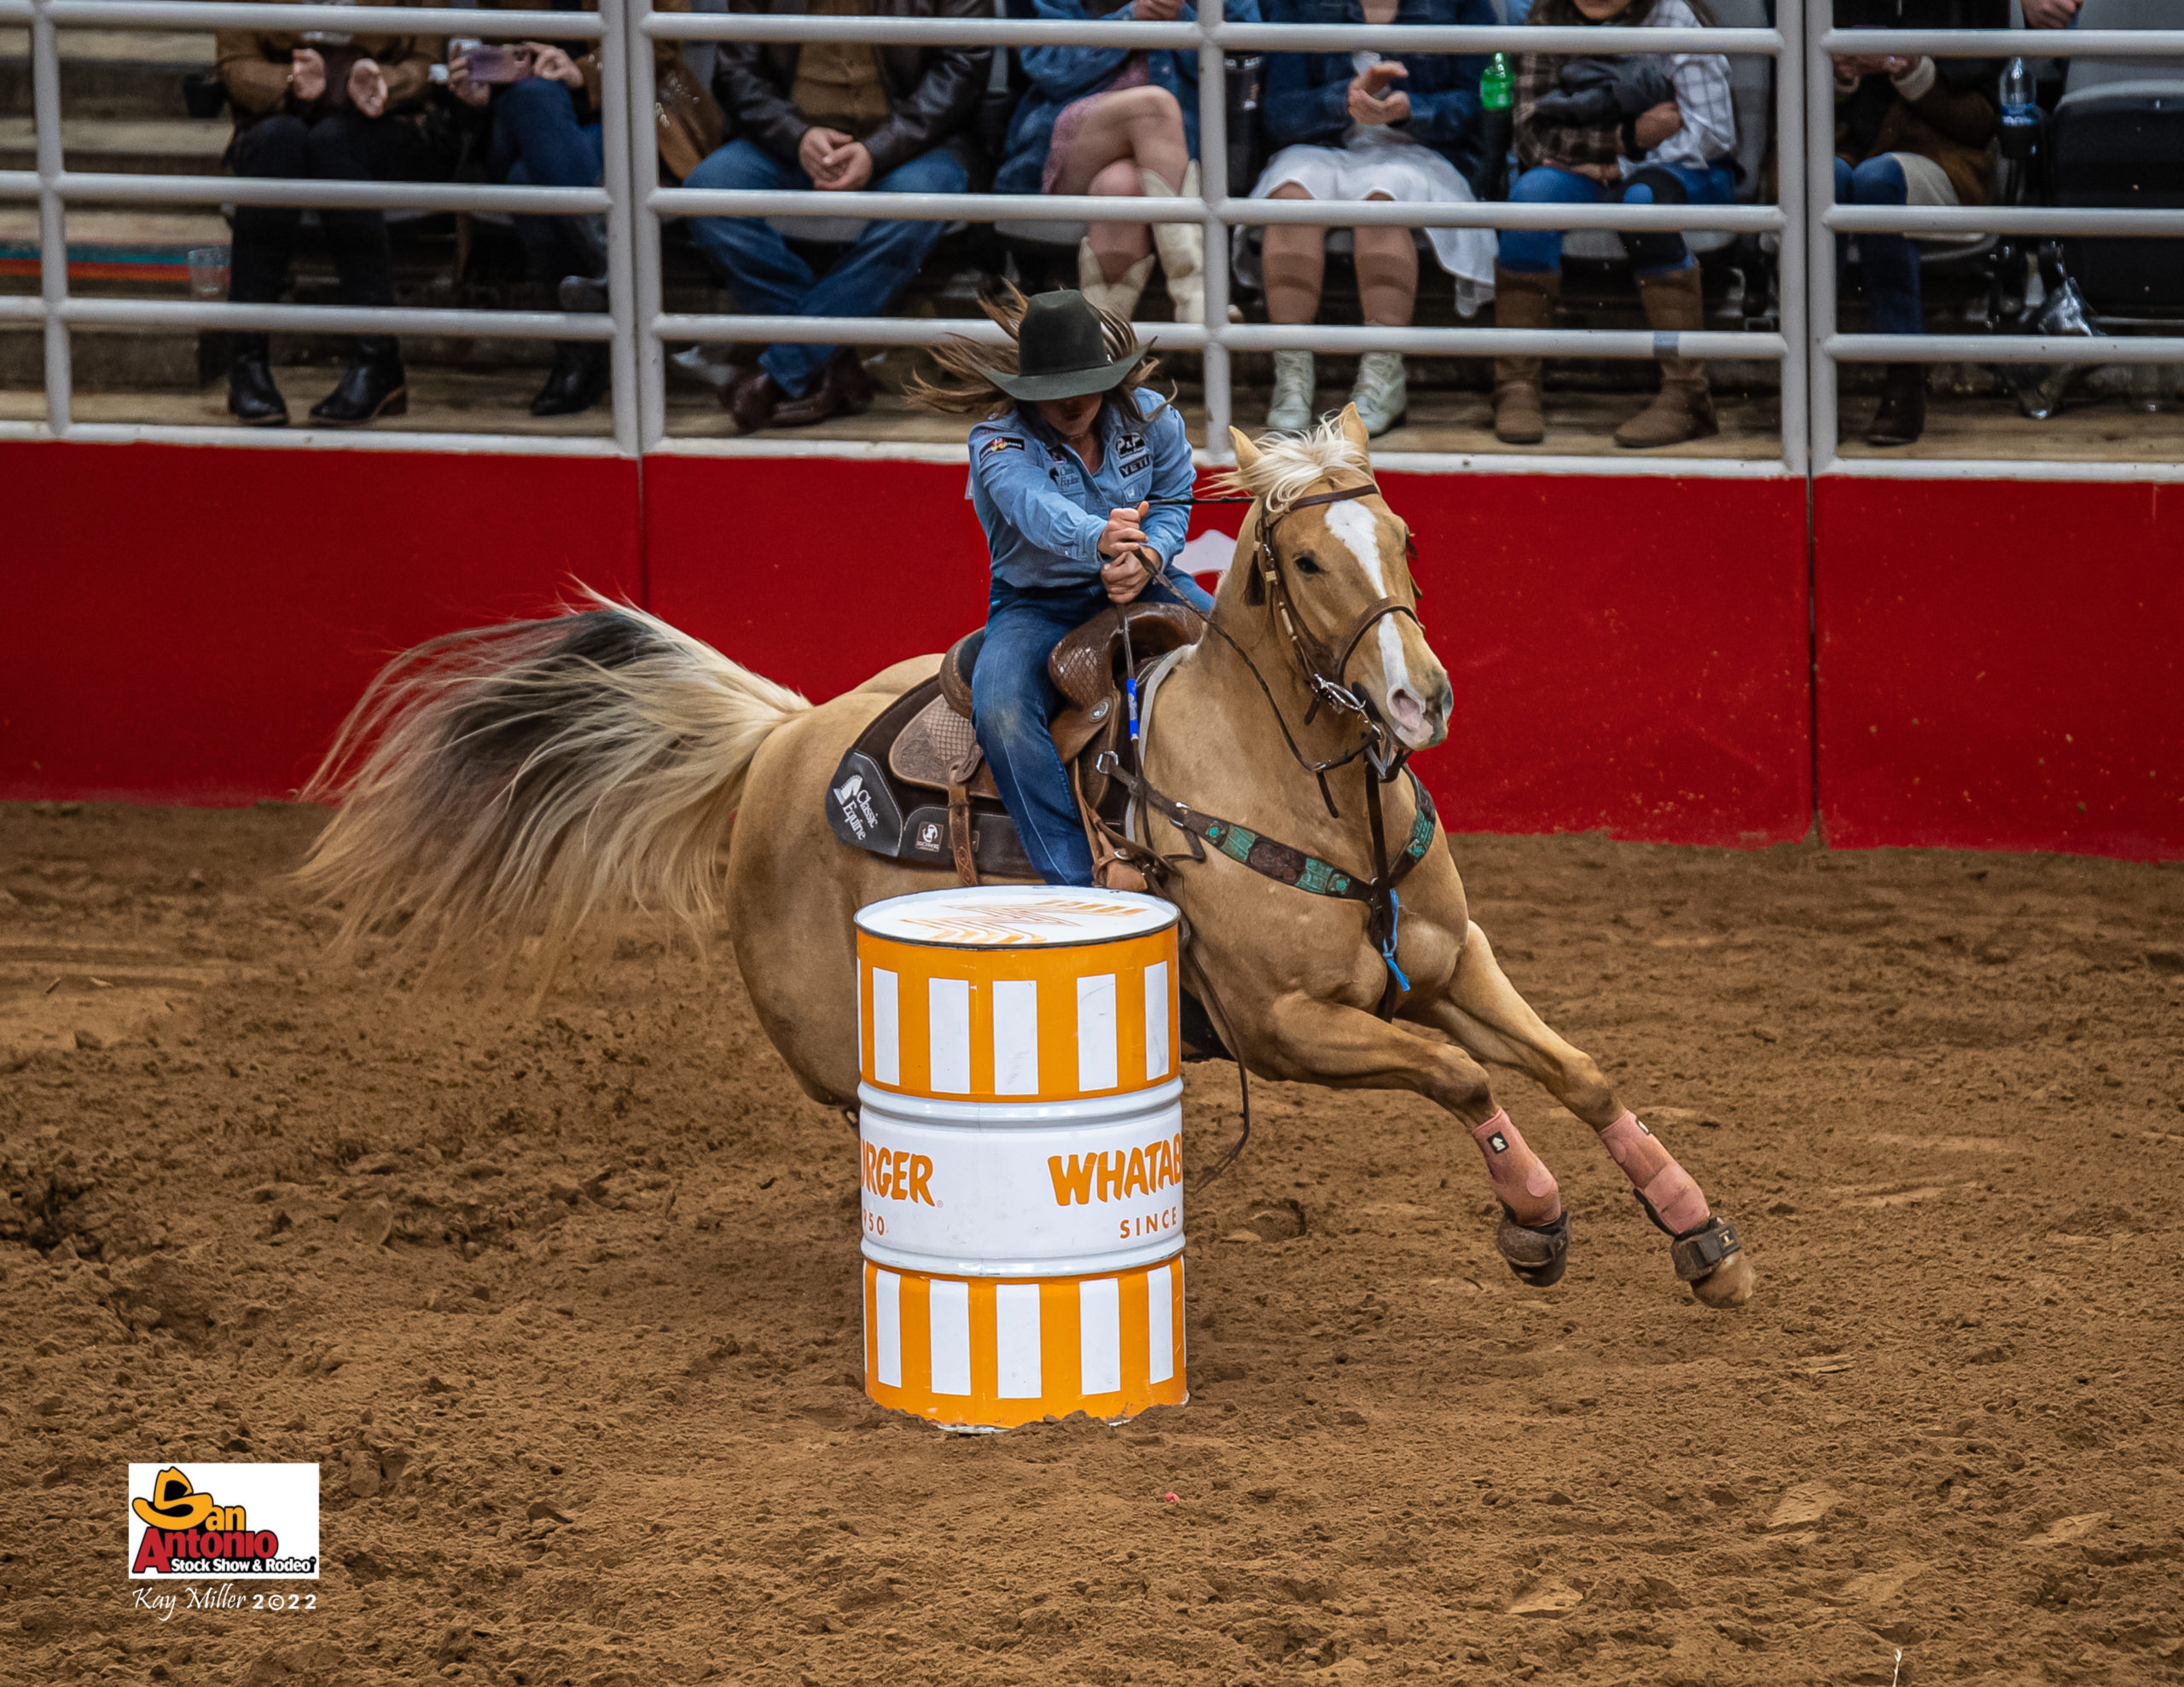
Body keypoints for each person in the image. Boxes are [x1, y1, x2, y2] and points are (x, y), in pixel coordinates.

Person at [906, 287, 1214, 887]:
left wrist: (1151, 553)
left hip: (1151, 580)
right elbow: (1034, 508)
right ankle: (1074, 881)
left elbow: (1175, 500)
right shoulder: (996, 442)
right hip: (1036, 605)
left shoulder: (1152, 418)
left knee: (1241, 649)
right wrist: (1103, 538)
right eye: (1053, 393)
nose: (1071, 402)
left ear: (1108, 378)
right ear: (1028, 394)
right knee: (1001, 711)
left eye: (1083, 385)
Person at [686, 0, 991, 433]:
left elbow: (963, 72)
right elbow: (736, 73)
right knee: (708, 191)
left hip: (914, 145)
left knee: (919, 201)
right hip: (788, 142)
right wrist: (797, 137)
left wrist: (878, 149)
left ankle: (788, 366)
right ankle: (833, 360)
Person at [445, 0, 722, 417]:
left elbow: (662, 42)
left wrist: (584, 70)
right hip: (520, 117)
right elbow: (485, 39)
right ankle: (608, 264)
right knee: (535, 97)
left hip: (629, 114)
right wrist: (481, 76)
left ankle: (580, 352)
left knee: (527, 181)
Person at [1492, 0, 1736, 449]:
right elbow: (1532, 134)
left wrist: (1622, 164)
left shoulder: (1676, 17)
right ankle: (1515, 386)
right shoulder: (1545, 16)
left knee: (1642, 201)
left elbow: (1714, 132)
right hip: (1592, 165)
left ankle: (1687, 395)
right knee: (1531, 199)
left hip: (1685, 168)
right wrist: (1623, 141)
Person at [1252, 0, 1502, 436]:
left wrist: (1409, 109)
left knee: (1381, 199)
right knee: (1291, 195)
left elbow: (1481, 98)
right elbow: (1278, 111)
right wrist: (1342, 100)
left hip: (1423, 151)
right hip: (1323, 145)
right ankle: (1291, 378)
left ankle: (1382, 377)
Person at [214, 0, 436, 427]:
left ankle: (378, 361)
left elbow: (427, 58)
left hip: (384, 120)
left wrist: (386, 82)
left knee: (335, 142)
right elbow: (234, 60)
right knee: (278, 140)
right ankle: (247, 361)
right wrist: (287, 79)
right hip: (282, 113)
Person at [995, 0, 1259, 326]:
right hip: (1074, 142)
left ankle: (1102, 349)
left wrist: (1186, 22)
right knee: (1154, 107)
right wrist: (1127, 22)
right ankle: (1197, 291)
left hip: (1169, 157)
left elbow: (1243, 57)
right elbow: (1049, 67)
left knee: (1120, 186)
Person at [1833, 0, 2005, 447]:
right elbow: (1791, 105)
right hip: (1839, 146)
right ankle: (1811, 383)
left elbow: (1981, 124)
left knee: (1876, 181)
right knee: (1821, 180)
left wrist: (1913, 71)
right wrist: (1840, 76)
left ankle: (1904, 381)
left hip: (1942, 157)